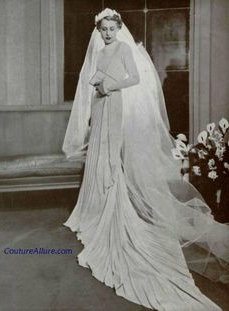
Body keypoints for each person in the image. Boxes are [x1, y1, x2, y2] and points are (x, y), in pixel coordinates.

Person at [63, 8, 229, 311]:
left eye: (112, 28)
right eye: (104, 29)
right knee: (97, 155)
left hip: (114, 106)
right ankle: (94, 207)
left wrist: (110, 85)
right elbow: (97, 75)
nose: (108, 33)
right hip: (100, 108)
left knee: (112, 157)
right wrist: (97, 81)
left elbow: (134, 78)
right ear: (99, 31)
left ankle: (112, 207)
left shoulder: (125, 48)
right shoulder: (101, 50)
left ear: (118, 28)